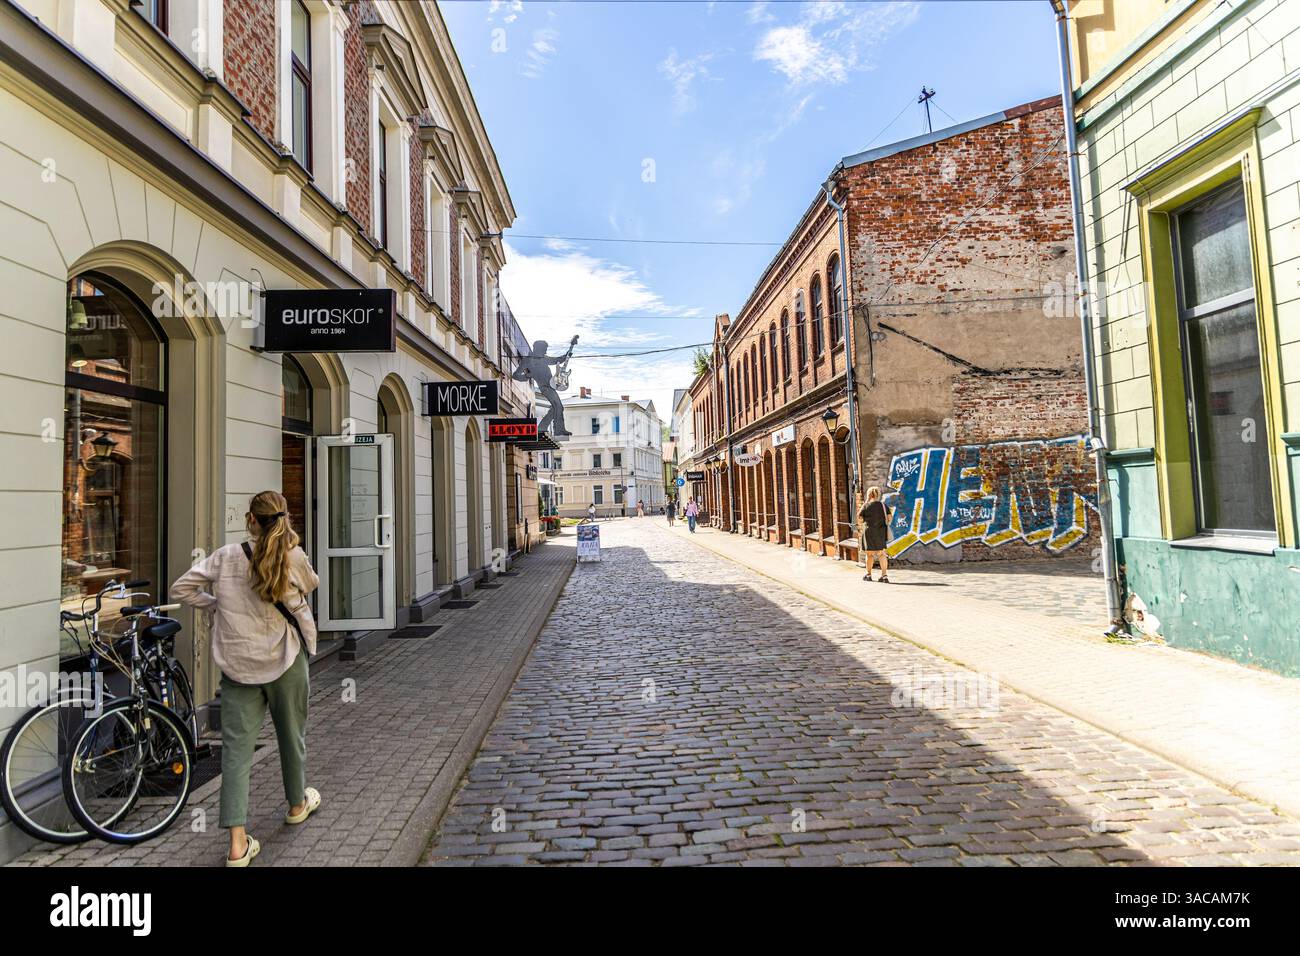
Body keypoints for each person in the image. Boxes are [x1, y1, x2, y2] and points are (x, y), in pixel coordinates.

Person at [171, 490, 322, 867]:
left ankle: (237, 846)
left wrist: (217, 604)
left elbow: (181, 588)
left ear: (251, 521)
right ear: (283, 519)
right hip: (285, 659)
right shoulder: (293, 556)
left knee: (236, 754)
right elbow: (312, 584)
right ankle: (296, 804)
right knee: (292, 736)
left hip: (238, 667)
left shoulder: (224, 557)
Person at [859, 485, 892, 583]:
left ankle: (868, 575)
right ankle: (884, 576)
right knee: (881, 554)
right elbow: (889, 518)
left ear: (869, 494)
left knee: (869, 555)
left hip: (868, 532)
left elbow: (859, 517)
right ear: (878, 495)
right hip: (880, 532)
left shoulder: (866, 505)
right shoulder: (883, 505)